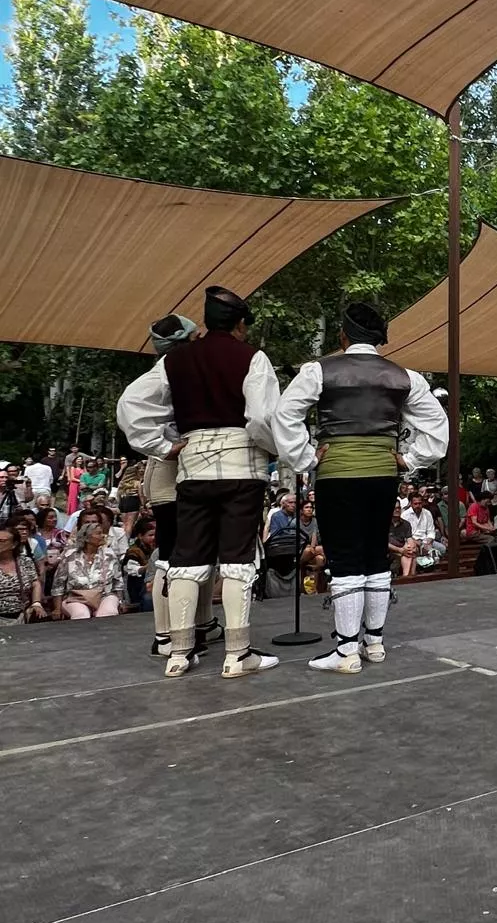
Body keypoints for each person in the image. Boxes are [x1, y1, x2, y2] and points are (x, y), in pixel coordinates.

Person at [273, 301, 448, 674]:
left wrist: (306, 457)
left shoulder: (319, 371)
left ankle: (346, 650)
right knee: (373, 555)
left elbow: (284, 415)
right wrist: (411, 459)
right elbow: (438, 429)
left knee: (345, 557)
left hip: (337, 474)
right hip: (384, 475)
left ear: (343, 334)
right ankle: (375, 642)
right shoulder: (405, 377)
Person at [117, 286, 281, 678]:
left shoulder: (175, 361)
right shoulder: (252, 357)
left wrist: (161, 445)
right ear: (241, 324)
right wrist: (273, 448)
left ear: (206, 322)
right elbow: (260, 418)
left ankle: (179, 652)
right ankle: (237, 654)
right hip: (242, 467)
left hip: (192, 467)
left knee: (186, 557)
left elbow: (130, 405)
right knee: (239, 558)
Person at [118, 314, 222, 661]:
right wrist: (164, 447)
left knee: (200, 551)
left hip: (186, 470)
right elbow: (130, 408)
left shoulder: (186, 370)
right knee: (175, 554)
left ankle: (202, 622)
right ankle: (167, 636)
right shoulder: (168, 371)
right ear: (187, 339)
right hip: (170, 471)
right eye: (196, 336)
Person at [51, 520, 124, 618]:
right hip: (76, 597)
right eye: (98, 533)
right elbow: (58, 584)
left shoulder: (109, 554)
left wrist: (120, 601)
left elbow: (118, 582)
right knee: (82, 615)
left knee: (107, 614)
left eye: (103, 533)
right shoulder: (70, 556)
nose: (103, 536)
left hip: (104, 595)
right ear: (87, 538)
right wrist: (57, 608)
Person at [0, 521, 46, 623]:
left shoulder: (25, 561)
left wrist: (36, 603)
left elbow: (35, 583)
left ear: (14, 544)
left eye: (2, 541)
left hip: (21, 615)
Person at [123, 516, 158, 611]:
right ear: (140, 536)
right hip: (140, 586)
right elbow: (132, 570)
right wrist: (150, 566)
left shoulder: (158, 547)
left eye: (156, 535)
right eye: (150, 535)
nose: (154, 538)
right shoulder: (134, 551)